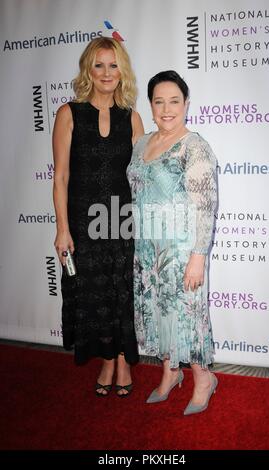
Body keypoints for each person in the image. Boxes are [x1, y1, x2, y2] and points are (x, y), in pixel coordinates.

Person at [52, 37, 144, 397]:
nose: (107, 73)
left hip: (121, 221)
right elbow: (60, 176)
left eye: (113, 65)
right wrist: (62, 229)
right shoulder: (68, 114)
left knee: (121, 292)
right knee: (95, 293)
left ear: (123, 71)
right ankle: (108, 359)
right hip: (83, 225)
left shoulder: (131, 118)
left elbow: (141, 176)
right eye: (99, 65)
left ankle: (121, 359)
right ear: (88, 70)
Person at [127, 70, 218, 414]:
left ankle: (203, 379)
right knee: (157, 311)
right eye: (159, 101)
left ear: (186, 104)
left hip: (181, 250)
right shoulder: (141, 143)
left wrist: (198, 256)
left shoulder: (195, 146)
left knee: (187, 317)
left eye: (174, 101)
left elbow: (206, 207)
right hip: (147, 247)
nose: (167, 109)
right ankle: (169, 373)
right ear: (150, 106)